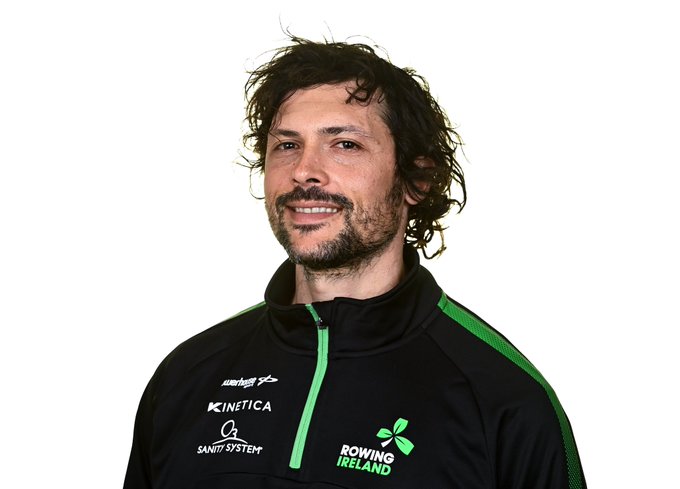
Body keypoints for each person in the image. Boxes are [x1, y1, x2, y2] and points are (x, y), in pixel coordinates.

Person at [123, 37, 587, 489]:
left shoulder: (504, 399)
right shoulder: (188, 375)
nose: (304, 170)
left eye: (344, 144)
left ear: (417, 180)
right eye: (287, 145)